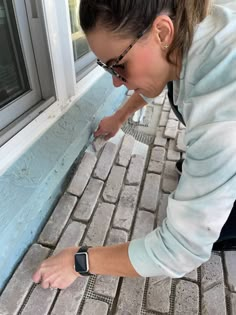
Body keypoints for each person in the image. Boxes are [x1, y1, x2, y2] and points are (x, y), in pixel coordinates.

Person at [33, 0, 236, 290]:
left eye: (120, 66)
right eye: (108, 69)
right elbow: (159, 72)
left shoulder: (220, 105)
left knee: (215, 231)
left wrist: (80, 261)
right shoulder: (194, 28)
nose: (118, 83)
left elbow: (181, 248)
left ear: (162, 33)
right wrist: (119, 116)